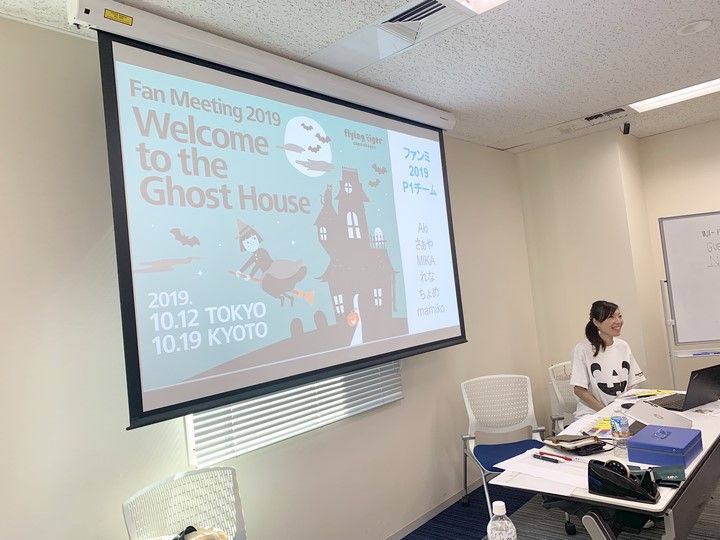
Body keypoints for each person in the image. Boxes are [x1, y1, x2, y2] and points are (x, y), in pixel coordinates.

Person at [570, 300, 646, 418]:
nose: (618, 321)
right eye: (611, 317)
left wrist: (622, 408)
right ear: (596, 322)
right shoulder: (583, 349)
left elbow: (631, 383)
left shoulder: (623, 346)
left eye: (619, 316)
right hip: (592, 413)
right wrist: (607, 412)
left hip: (620, 411)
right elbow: (579, 390)